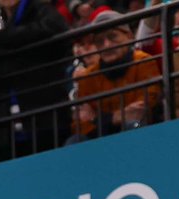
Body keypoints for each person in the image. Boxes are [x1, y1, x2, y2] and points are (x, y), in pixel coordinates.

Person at [0, 0, 71, 159]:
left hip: (42, 112)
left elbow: (54, 32)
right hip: (2, 123)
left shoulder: (40, 9)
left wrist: (4, 38)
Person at [69, 11, 162, 141]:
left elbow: (142, 110)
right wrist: (116, 117)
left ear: (129, 36)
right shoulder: (88, 77)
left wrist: (97, 119)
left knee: (132, 126)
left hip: (142, 132)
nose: (106, 45)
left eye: (112, 37)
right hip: (101, 139)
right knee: (75, 140)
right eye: (100, 41)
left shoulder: (143, 62)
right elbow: (80, 125)